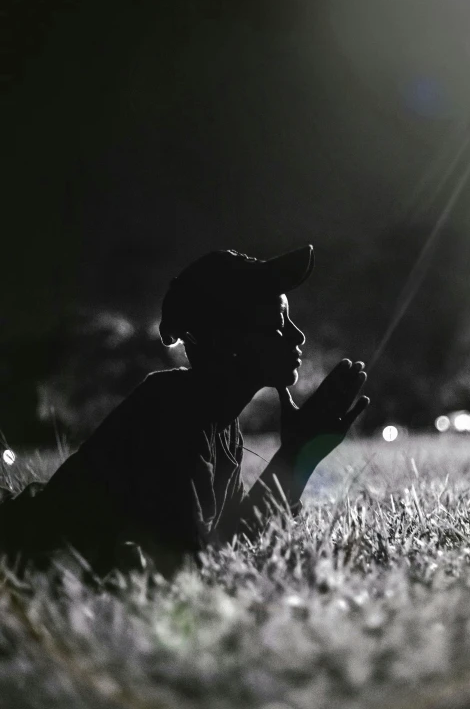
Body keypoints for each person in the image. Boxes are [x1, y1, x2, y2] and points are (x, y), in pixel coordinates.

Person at [0, 245, 369, 578]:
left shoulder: (217, 417)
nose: (297, 336)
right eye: (277, 322)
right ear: (225, 338)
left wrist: (297, 455)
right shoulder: (174, 411)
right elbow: (184, 567)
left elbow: (231, 533)